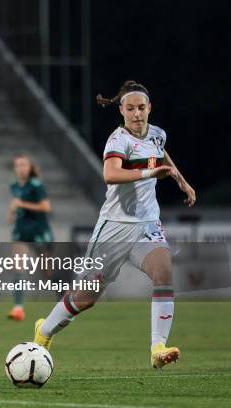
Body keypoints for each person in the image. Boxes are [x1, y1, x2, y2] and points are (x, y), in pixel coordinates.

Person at [32, 80, 196, 369]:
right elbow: (110, 174)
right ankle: (44, 332)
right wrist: (150, 172)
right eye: (130, 108)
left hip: (147, 224)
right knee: (87, 296)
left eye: (141, 108)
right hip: (115, 228)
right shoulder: (117, 140)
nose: (136, 114)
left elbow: (162, 155)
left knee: (164, 270)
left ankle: (157, 347)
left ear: (149, 109)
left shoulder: (157, 134)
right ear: (121, 110)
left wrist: (182, 182)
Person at [6, 154, 53, 321]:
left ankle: (68, 301)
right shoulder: (14, 185)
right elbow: (15, 204)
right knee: (17, 268)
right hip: (21, 231)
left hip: (39, 232)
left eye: (24, 165)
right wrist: (11, 212)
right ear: (15, 168)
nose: (21, 168)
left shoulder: (36, 185)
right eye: (18, 165)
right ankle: (18, 308)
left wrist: (22, 205)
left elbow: (46, 207)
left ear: (29, 167)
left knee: (47, 273)